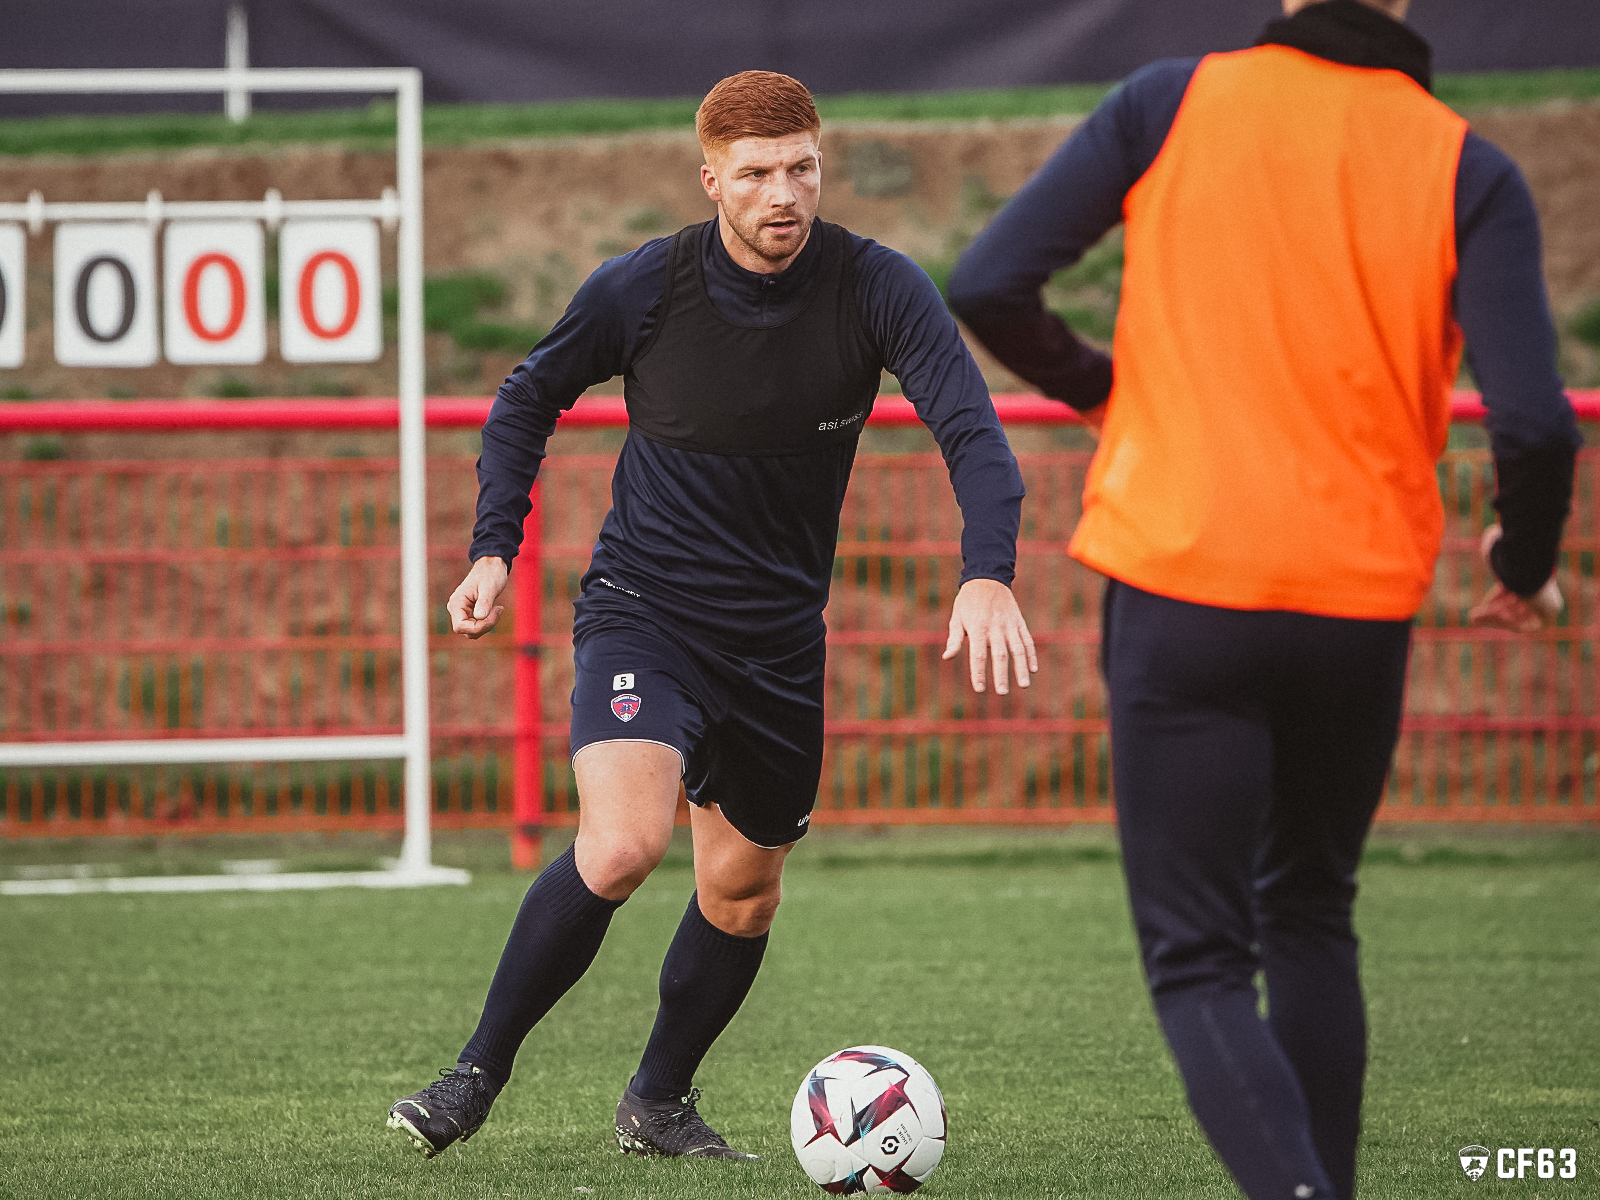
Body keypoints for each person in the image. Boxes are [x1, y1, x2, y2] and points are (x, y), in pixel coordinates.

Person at [948, 2, 1578, 1198]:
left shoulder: (1167, 101)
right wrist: (1520, 565)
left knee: (1198, 963)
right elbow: (1536, 425)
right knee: (1310, 915)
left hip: (1185, 583)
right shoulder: (1465, 163)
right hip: (1355, 607)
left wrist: (1105, 391)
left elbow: (987, 283)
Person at [388, 70, 1036, 1162]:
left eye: (801, 169)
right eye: (755, 174)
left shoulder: (876, 288)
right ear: (710, 180)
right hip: (645, 611)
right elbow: (526, 399)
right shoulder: (644, 288)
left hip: (778, 643)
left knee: (741, 896)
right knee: (623, 845)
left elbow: (970, 429)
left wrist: (987, 569)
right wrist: (494, 547)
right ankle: (471, 1077)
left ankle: (658, 1103)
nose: (783, 192)